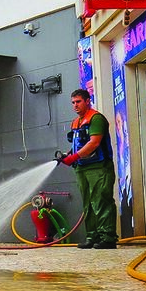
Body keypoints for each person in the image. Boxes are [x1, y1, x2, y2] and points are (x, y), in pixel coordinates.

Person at [58, 88, 118, 250]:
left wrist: (74, 157)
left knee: (101, 201)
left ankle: (108, 238)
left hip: (99, 167)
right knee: (88, 204)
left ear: (87, 101)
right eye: (73, 103)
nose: (75, 106)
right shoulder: (76, 122)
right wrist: (67, 155)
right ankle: (92, 236)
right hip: (82, 169)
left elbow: (94, 143)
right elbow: (77, 145)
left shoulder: (96, 119)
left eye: (78, 102)